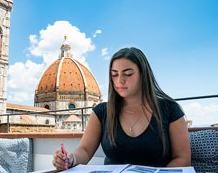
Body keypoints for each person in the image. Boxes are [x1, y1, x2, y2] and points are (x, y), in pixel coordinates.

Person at [52, 47, 191, 170]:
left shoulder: (169, 109)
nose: (119, 81)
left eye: (128, 74)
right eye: (114, 75)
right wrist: (71, 159)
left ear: (143, 75)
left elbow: (183, 159)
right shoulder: (101, 112)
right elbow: (85, 150)